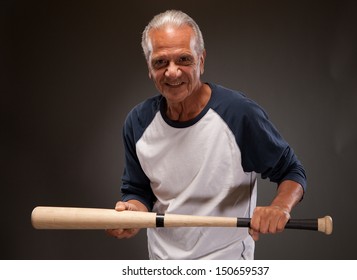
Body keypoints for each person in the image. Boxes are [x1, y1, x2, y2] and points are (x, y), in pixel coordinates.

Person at [106, 10, 306, 260]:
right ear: (149, 67)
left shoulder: (238, 114)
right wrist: (132, 214)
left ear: (201, 61)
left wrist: (280, 207)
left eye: (184, 60)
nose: (172, 72)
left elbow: (292, 171)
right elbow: (137, 191)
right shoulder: (137, 122)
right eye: (160, 62)